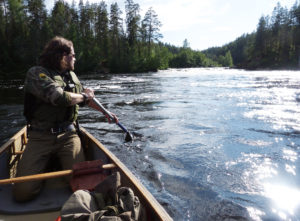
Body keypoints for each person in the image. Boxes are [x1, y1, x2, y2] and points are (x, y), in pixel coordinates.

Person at [13, 36, 117, 202]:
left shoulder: (71, 76)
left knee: (83, 188)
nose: (75, 58)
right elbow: (59, 98)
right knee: (22, 194)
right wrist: (84, 95)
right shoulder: (36, 74)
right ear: (62, 56)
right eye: (73, 55)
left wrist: (105, 112)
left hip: (69, 136)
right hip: (41, 137)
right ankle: (47, 165)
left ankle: (54, 163)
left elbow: (85, 99)